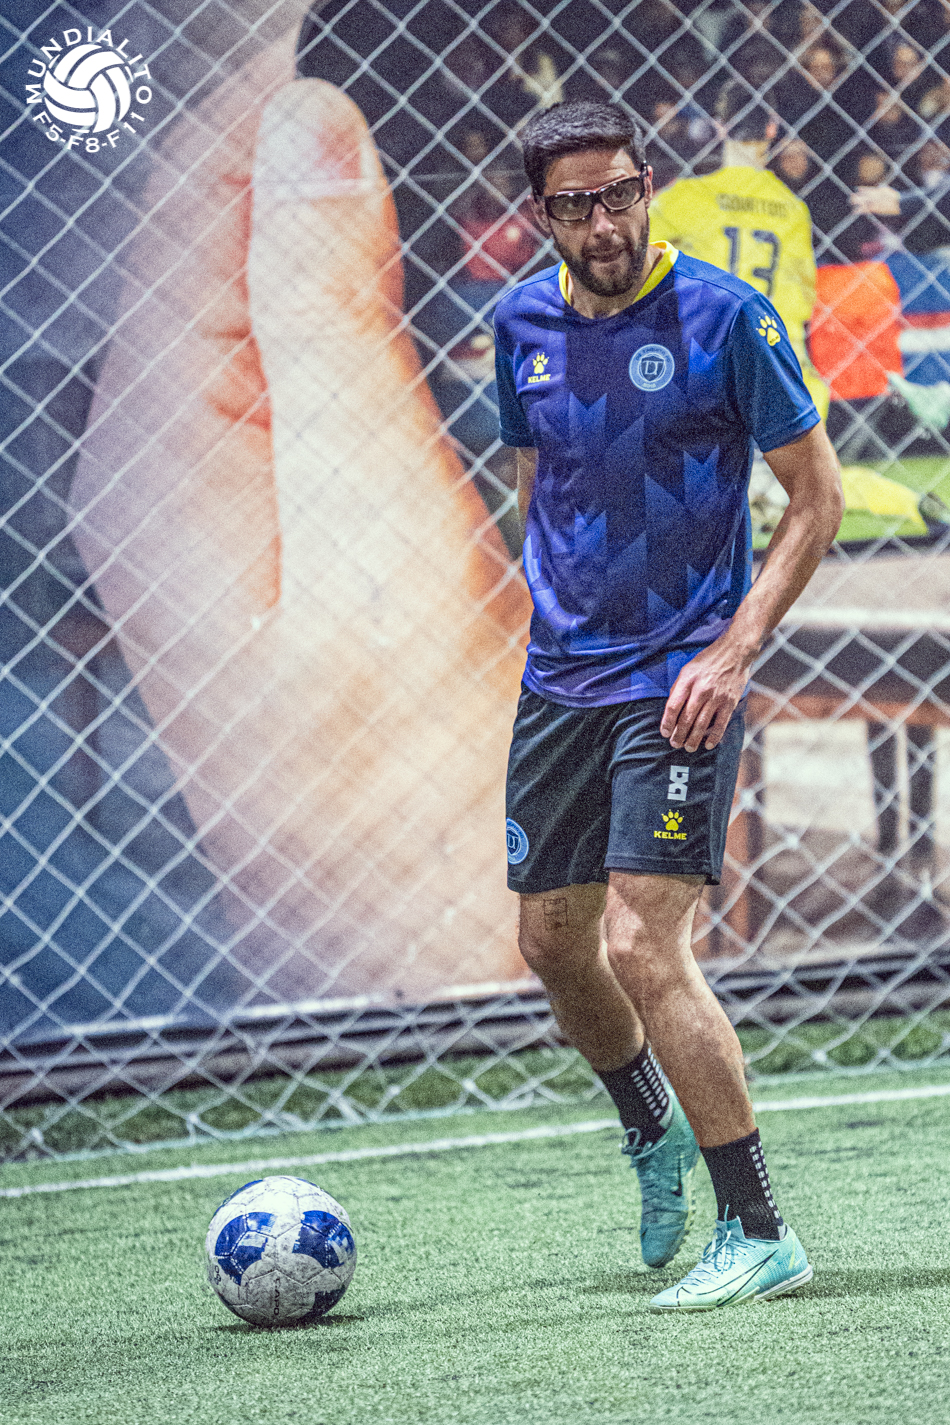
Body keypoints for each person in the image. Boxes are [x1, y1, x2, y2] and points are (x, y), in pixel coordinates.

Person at [493, 100, 843, 1311]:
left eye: (619, 193)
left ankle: (757, 1228)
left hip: (678, 679)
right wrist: (543, 614)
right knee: (551, 945)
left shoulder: (723, 318)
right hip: (559, 679)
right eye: (574, 204)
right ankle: (648, 1127)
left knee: (644, 942)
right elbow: (537, 483)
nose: (603, 223)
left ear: (647, 186)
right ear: (541, 215)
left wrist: (731, 652)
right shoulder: (519, 323)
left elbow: (814, 498)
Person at [649, 85, 830, 419]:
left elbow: (633, 250)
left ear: (720, 127)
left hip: (707, 357)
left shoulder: (687, 197)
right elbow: (806, 294)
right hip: (778, 363)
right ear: (772, 128)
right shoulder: (792, 208)